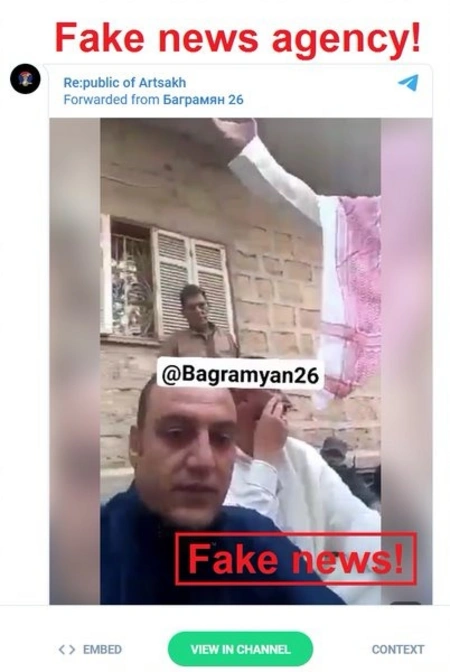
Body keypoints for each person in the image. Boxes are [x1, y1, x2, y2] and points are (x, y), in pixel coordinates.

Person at [101, 377, 345, 605]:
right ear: (136, 445)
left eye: (222, 438)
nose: (204, 461)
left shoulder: (257, 539)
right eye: (176, 434)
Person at [225, 388, 381, 604]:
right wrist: (265, 462)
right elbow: (246, 551)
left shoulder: (300, 454)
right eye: (273, 390)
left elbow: (353, 519)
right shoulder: (215, 465)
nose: (285, 402)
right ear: (239, 396)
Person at [159, 284, 238, 358]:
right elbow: (164, 367)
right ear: (183, 313)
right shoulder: (174, 342)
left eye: (202, 305)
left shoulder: (227, 338)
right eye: (192, 308)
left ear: (208, 307)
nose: (198, 311)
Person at [321, 437, 381, 511]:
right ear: (322, 454)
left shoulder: (348, 476)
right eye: (329, 454)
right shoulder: (314, 472)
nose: (332, 459)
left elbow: (367, 497)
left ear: (342, 458)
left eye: (336, 455)